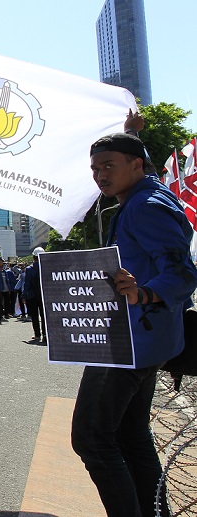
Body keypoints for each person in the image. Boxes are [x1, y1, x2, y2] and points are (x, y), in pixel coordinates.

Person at [71, 133, 197, 517]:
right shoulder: (145, 196)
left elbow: (181, 272)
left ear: (136, 165)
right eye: (95, 168)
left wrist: (143, 293)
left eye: (109, 165)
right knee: (131, 435)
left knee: (92, 439)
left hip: (129, 344)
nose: (100, 175)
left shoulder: (144, 206)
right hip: (143, 340)